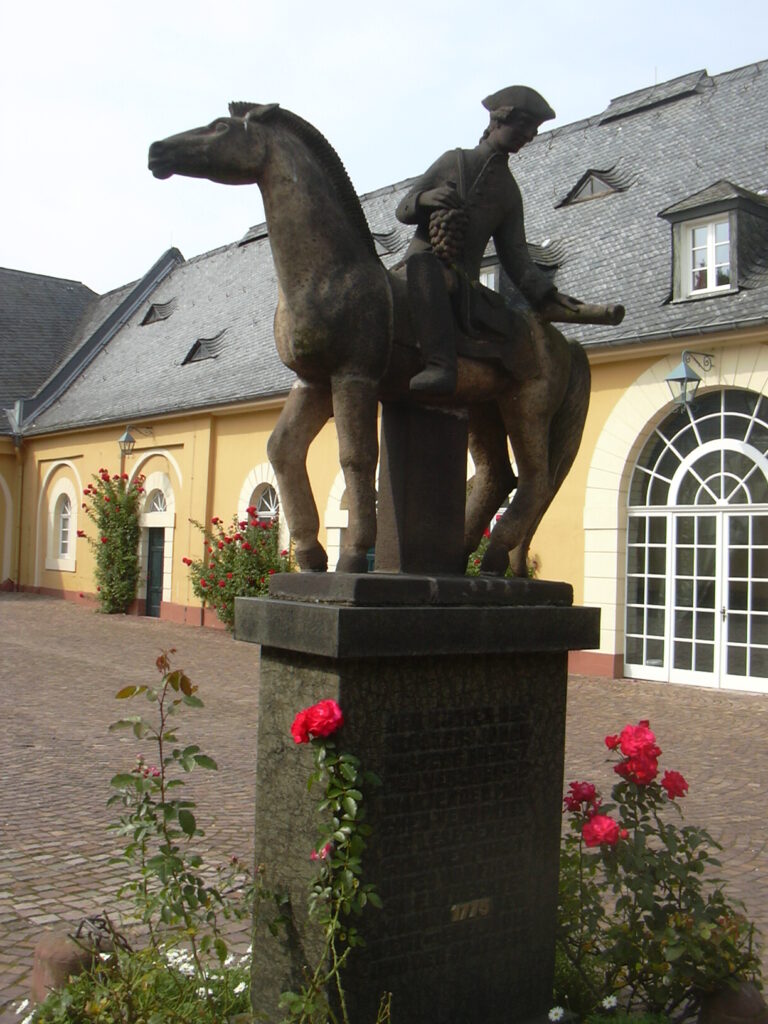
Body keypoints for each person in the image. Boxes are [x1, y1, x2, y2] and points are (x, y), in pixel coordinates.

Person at [396, 85, 562, 394]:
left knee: (428, 270)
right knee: (406, 272)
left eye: (534, 130)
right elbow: (403, 210)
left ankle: (440, 364)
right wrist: (427, 198)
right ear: (498, 121)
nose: (529, 135)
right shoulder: (452, 161)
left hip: (459, 280)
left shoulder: (509, 193)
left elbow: (516, 257)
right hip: (412, 266)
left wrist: (547, 293)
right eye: (523, 126)